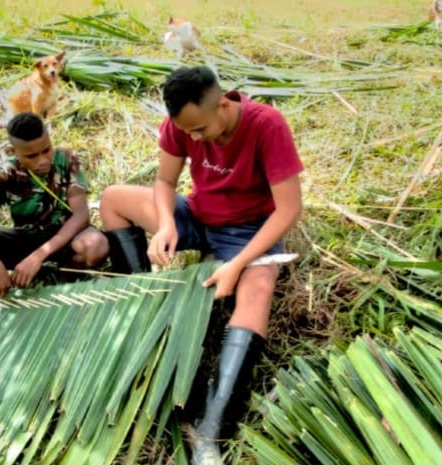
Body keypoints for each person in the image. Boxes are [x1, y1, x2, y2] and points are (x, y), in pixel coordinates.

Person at [99, 66, 304, 465]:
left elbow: (289, 209)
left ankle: (210, 430)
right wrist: (168, 225)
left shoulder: (268, 126)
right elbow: (164, 183)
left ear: (223, 105)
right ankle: (142, 308)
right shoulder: (182, 123)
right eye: (186, 132)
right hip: (197, 214)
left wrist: (238, 264)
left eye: (200, 130)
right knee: (112, 199)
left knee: (257, 293)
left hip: (249, 231)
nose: (193, 139)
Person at [0, 112, 109, 297]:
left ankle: (66, 274)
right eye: (31, 156)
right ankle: (28, 272)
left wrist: (38, 256)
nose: (43, 161)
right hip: (25, 237)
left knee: (95, 245)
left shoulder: (66, 159)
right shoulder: (6, 174)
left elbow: (81, 216)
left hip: (65, 236)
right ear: (13, 152)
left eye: (46, 150)